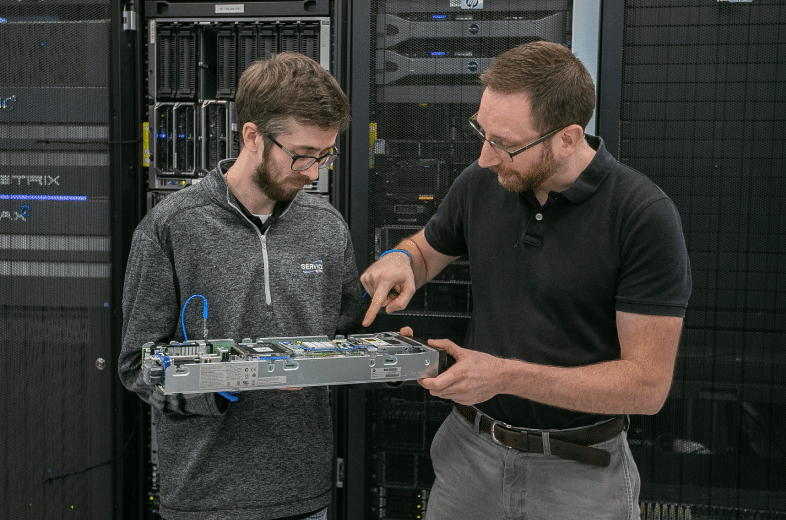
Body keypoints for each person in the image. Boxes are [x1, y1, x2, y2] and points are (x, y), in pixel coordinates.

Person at [360, 41, 692, 519]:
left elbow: (646, 387)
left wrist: (503, 376)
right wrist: (401, 258)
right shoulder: (482, 182)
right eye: (482, 131)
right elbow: (427, 251)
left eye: (505, 143)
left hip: (578, 473)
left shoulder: (642, 216)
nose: (485, 157)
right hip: (467, 457)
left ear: (568, 139)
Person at [118, 53, 366, 520]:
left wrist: (383, 354)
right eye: (302, 155)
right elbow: (137, 366)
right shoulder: (172, 227)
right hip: (205, 496)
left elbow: (343, 336)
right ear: (252, 136)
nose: (314, 172)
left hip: (304, 492)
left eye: (325, 155)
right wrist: (229, 383)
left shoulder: (327, 226)